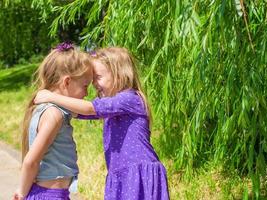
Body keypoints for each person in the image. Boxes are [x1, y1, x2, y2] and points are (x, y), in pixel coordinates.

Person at [34, 47, 170, 200]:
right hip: (121, 175)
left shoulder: (130, 98)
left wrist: (52, 97)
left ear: (118, 74)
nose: (94, 84)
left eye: (97, 77)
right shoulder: (112, 103)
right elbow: (80, 112)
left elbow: (89, 109)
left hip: (137, 172)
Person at [13, 43, 93, 200]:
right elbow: (31, 161)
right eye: (85, 86)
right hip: (49, 195)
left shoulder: (53, 110)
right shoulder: (53, 114)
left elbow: (90, 110)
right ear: (67, 82)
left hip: (54, 194)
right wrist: (21, 192)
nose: (87, 92)